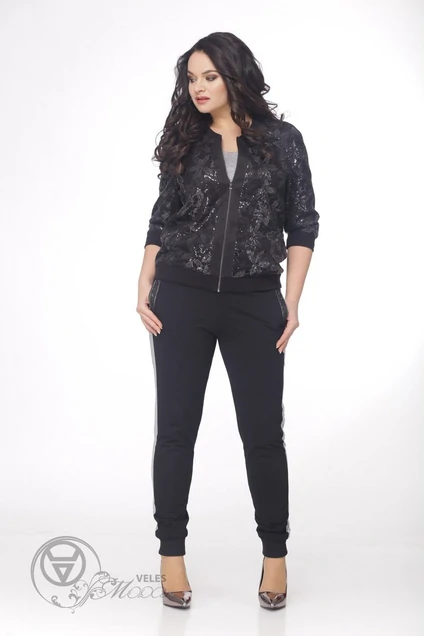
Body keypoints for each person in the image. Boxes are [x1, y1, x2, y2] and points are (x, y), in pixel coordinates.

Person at [136, 31, 319, 610]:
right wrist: (144, 282)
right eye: (191, 79)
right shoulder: (186, 140)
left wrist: (291, 302)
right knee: (175, 431)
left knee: (263, 434)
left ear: (235, 75)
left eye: (209, 76)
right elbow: (164, 217)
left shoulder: (283, 141)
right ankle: (171, 556)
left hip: (254, 302)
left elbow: (303, 223)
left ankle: (275, 556)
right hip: (181, 299)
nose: (198, 88)